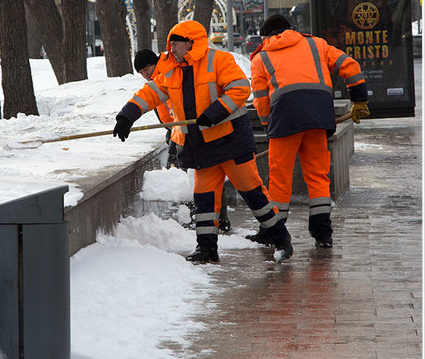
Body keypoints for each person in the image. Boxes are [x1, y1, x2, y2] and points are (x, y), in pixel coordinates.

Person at [114, 20, 292, 263]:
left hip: (231, 143)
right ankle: (207, 250)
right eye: (171, 44)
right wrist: (127, 116)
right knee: (204, 200)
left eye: (175, 44)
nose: (171, 49)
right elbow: (151, 93)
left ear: (190, 42)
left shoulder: (218, 60)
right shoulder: (173, 69)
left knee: (253, 194)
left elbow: (240, 88)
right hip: (202, 148)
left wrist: (215, 111)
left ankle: (281, 239)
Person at [249, 14, 369, 248]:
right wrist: (359, 99)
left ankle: (274, 233)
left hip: (284, 119)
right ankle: (322, 232)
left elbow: (262, 100)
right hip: (319, 115)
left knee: (280, 178)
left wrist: (268, 126)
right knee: (317, 174)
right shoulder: (317, 44)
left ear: (267, 36)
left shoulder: (261, 57)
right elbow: (350, 66)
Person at [133, 47, 231, 233]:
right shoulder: (156, 79)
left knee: (202, 175)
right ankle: (198, 217)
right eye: (141, 73)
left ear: (154, 63)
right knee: (186, 175)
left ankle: (213, 220)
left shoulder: (169, 73)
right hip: (176, 131)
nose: (145, 75)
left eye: (146, 69)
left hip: (189, 131)